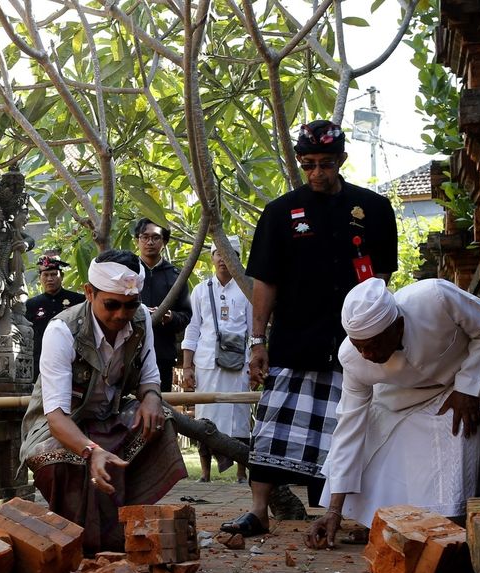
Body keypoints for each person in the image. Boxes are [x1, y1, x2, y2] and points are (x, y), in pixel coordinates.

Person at [221, 119, 398, 537]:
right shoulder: (280, 213)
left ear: (342, 160)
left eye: (326, 163)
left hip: (353, 343)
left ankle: (341, 516)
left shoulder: (373, 209)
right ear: (301, 162)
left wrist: (376, 335)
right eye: (309, 164)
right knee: (272, 427)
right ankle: (259, 513)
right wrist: (258, 341)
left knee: (350, 429)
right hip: (295, 339)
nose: (317, 172)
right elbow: (265, 281)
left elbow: (383, 279)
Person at [310, 277, 480, 548]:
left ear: (398, 326)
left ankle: (446, 523)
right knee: (376, 430)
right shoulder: (352, 358)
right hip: (410, 390)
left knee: (454, 428)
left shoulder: (435, 297)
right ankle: (386, 522)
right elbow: (349, 427)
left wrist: (468, 388)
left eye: (373, 344)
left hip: (470, 372)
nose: (367, 354)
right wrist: (333, 510)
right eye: (359, 346)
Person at [19, 249, 188, 552]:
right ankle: (77, 540)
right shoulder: (62, 331)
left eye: (131, 305)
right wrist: (91, 450)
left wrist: (151, 398)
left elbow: (149, 376)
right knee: (55, 459)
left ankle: (129, 525)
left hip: (110, 418)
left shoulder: (140, 321)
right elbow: (56, 417)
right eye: (112, 305)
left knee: (161, 422)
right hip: (57, 426)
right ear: (89, 292)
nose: (122, 315)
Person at [180, 238, 251, 482]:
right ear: (212, 258)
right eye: (218, 253)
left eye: (230, 254)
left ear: (238, 258)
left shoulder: (247, 288)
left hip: (238, 363)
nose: (223, 259)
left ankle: (242, 473)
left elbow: (254, 331)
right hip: (207, 362)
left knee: (238, 416)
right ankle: (206, 474)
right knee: (205, 416)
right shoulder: (201, 290)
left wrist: (254, 364)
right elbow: (192, 328)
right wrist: (187, 366)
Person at [133, 218, 192, 392]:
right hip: (129, 354)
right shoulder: (128, 272)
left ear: (164, 242)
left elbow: (186, 315)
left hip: (162, 355)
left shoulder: (176, 276)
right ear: (137, 240)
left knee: (160, 406)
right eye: (144, 237)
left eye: (155, 237)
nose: (150, 242)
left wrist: (170, 317)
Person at [24, 253, 84, 370]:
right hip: (40, 363)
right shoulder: (31, 305)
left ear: (61, 276)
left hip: (72, 361)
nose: (49, 279)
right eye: (45, 275)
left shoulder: (78, 301)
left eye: (53, 274)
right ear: (40, 278)